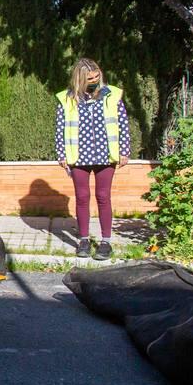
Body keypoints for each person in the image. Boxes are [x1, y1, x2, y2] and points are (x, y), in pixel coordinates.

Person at [56, 58, 130, 261]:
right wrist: (61, 154)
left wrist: (124, 151)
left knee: (103, 197)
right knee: (82, 197)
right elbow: (60, 127)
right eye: (90, 78)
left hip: (106, 155)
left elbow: (122, 123)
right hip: (78, 155)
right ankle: (84, 240)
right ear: (80, 79)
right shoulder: (67, 99)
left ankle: (105, 242)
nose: (95, 80)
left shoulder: (112, 95)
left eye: (97, 76)